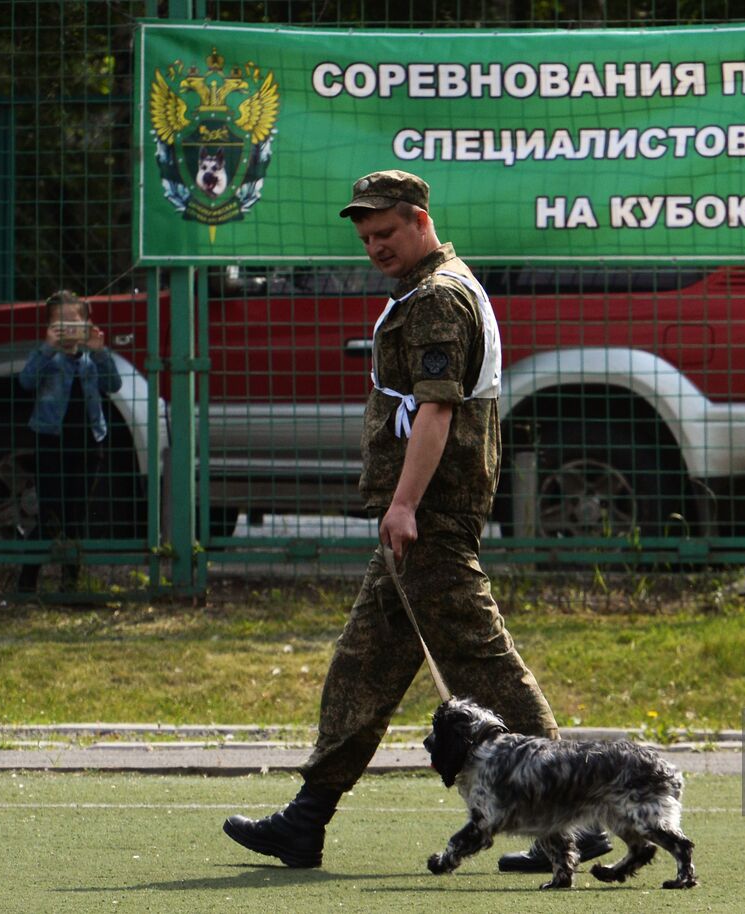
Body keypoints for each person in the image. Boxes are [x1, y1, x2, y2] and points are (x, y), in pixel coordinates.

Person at [222, 170, 610, 872]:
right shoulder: (433, 286)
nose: (375, 246)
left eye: (386, 232)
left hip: (429, 515)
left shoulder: (436, 297)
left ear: (420, 221)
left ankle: (576, 821)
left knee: (487, 670)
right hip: (420, 515)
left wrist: (403, 504)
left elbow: (437, 408)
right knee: (363, 665)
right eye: (366, 237)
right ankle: (306, 820)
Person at [16, 290, 122, 593]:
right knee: (50, 513)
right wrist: (47, 348)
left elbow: (113, 384)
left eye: (73, 323)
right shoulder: (47, 358)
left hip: (88, 444)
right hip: (51, 443)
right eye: (59, 324)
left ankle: (71, 582)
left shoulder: (92, 359)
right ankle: (27, 581)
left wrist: (100, 351)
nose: (67, 330)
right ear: (50, 328)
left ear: (87, 324)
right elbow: (26, 381)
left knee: (75, 515)